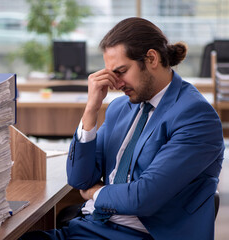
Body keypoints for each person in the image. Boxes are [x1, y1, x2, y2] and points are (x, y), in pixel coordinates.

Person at [20, 17, 224, 240]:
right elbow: (79, 179)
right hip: (90, 226)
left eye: (121, 71)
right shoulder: (120, 108)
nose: (116, 84)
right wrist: (91, 109)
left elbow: (142, 199)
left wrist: (95, 193)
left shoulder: (195, 115)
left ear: (151, 59)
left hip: (138, 234)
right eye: (112, 74)